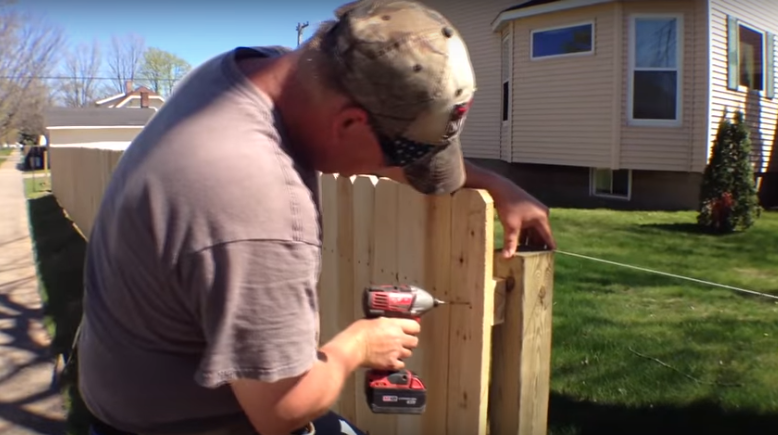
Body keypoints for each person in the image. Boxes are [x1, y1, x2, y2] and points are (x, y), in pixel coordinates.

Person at [75, 1, 556, 435]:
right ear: (348, 123)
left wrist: (496, 184)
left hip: (132, 391)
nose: (404, 168)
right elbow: (282, 409)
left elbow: (390, 156)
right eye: (407, 152)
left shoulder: (254, 73)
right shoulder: (256, 206)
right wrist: (359, 346)